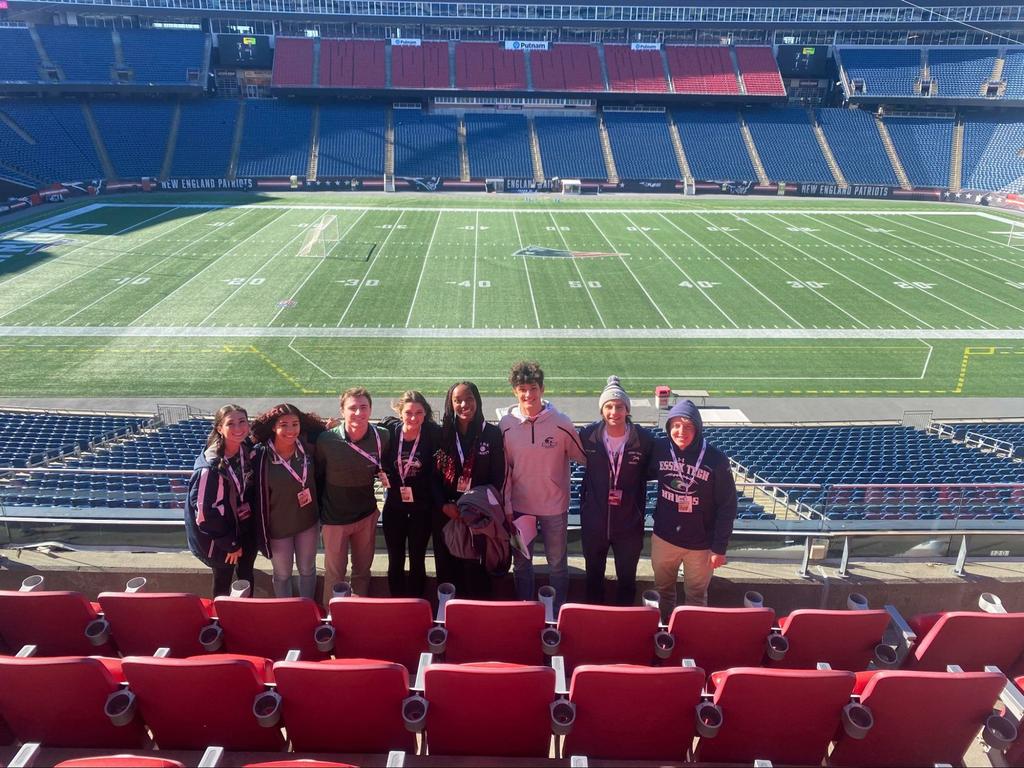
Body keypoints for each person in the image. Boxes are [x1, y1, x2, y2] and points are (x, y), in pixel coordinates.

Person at [499, 361, 585, 608]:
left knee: (557, 564)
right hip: (518, 508)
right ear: (515, 392)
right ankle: (525, 610)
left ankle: (557, 613)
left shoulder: (561, 422)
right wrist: (506, 505)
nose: (528, 394)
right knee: (522, 563)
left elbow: (583, 456)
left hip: (554, 507)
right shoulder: (506, 424)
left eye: (533, 388)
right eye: (522, 389)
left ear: (543, 389)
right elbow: (505, 470)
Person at [648, 399, 737, 619]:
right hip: (664, 538)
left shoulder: (716, 459)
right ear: (669, 427)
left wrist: (720, 547)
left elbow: (728, 506)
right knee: (663, 593)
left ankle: (690, 641)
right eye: (676, 425)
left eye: (687, 426)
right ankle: (665, 637)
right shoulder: (659, 449)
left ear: (697, 428)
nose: (681, 431)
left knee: (696, 597)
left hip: (700, 545)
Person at [578, 376, 654, 605]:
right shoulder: (587, 436)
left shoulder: (644, 439)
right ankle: (593, 618)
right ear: (602, 410)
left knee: (627, 581)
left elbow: (653, 471)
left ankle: (625, 623)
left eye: (619, 406)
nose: (614, 412)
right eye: (608, 406)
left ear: (627, 409)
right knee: (592, 579)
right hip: (594, 524)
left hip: (629, 525)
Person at [315, 387, 391, 601]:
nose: (358, 413)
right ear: (342, 411)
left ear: (371, 409)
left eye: (363, 407)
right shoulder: (326, 440)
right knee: (335, 574)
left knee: (362, 572)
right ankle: (332, 616)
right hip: (334, 519)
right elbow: (319, 473)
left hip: (366, 516)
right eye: (353, 408)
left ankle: (358, 612)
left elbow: (383, 466)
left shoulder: (382, 437)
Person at [250, 403, 329, 599]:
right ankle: (284, 611)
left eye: (295, 424)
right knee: (282, 574)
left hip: (307, 523)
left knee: (307, 569)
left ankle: (307, 609)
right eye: (284, 425)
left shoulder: (308, 446)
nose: (290, 430)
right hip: (277, 529)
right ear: (273, 427)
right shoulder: (261, 455)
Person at [435, 381, 505, 597]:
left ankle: (477, 621)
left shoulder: (492, 434)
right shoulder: (442, 434)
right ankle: (448, 619)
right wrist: (443, 505)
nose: (464, 404)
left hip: (477, 515)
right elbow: (432, 476)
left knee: (476, 573)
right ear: (450, 403)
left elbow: (497, 478)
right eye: (458, 400)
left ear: (478, 401)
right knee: (448, 572)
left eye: (469, 399)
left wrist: (473, 508)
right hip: (447, 514)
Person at [185, 404, 260, 597]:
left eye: (242, 421)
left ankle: (244, 613)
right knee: (223, 581)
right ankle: (223, 619)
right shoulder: (209, 467)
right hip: (223, 537)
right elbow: (203, 514)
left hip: (245, 527)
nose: (238, 428)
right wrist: (230, 543)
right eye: (230, 423)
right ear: (220, 428)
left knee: (246, 576)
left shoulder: (245, 449)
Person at [380, 391, 442, 598]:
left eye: (419, 412)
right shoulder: (389, 431)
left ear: (426, 414)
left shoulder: (433, 434)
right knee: (395, 559)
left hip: (421, 509)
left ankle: (416, 604)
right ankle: (397, 604)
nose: (413, 417)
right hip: (394, 507)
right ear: (400, 412)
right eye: (408, 412)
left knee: (417, 558)